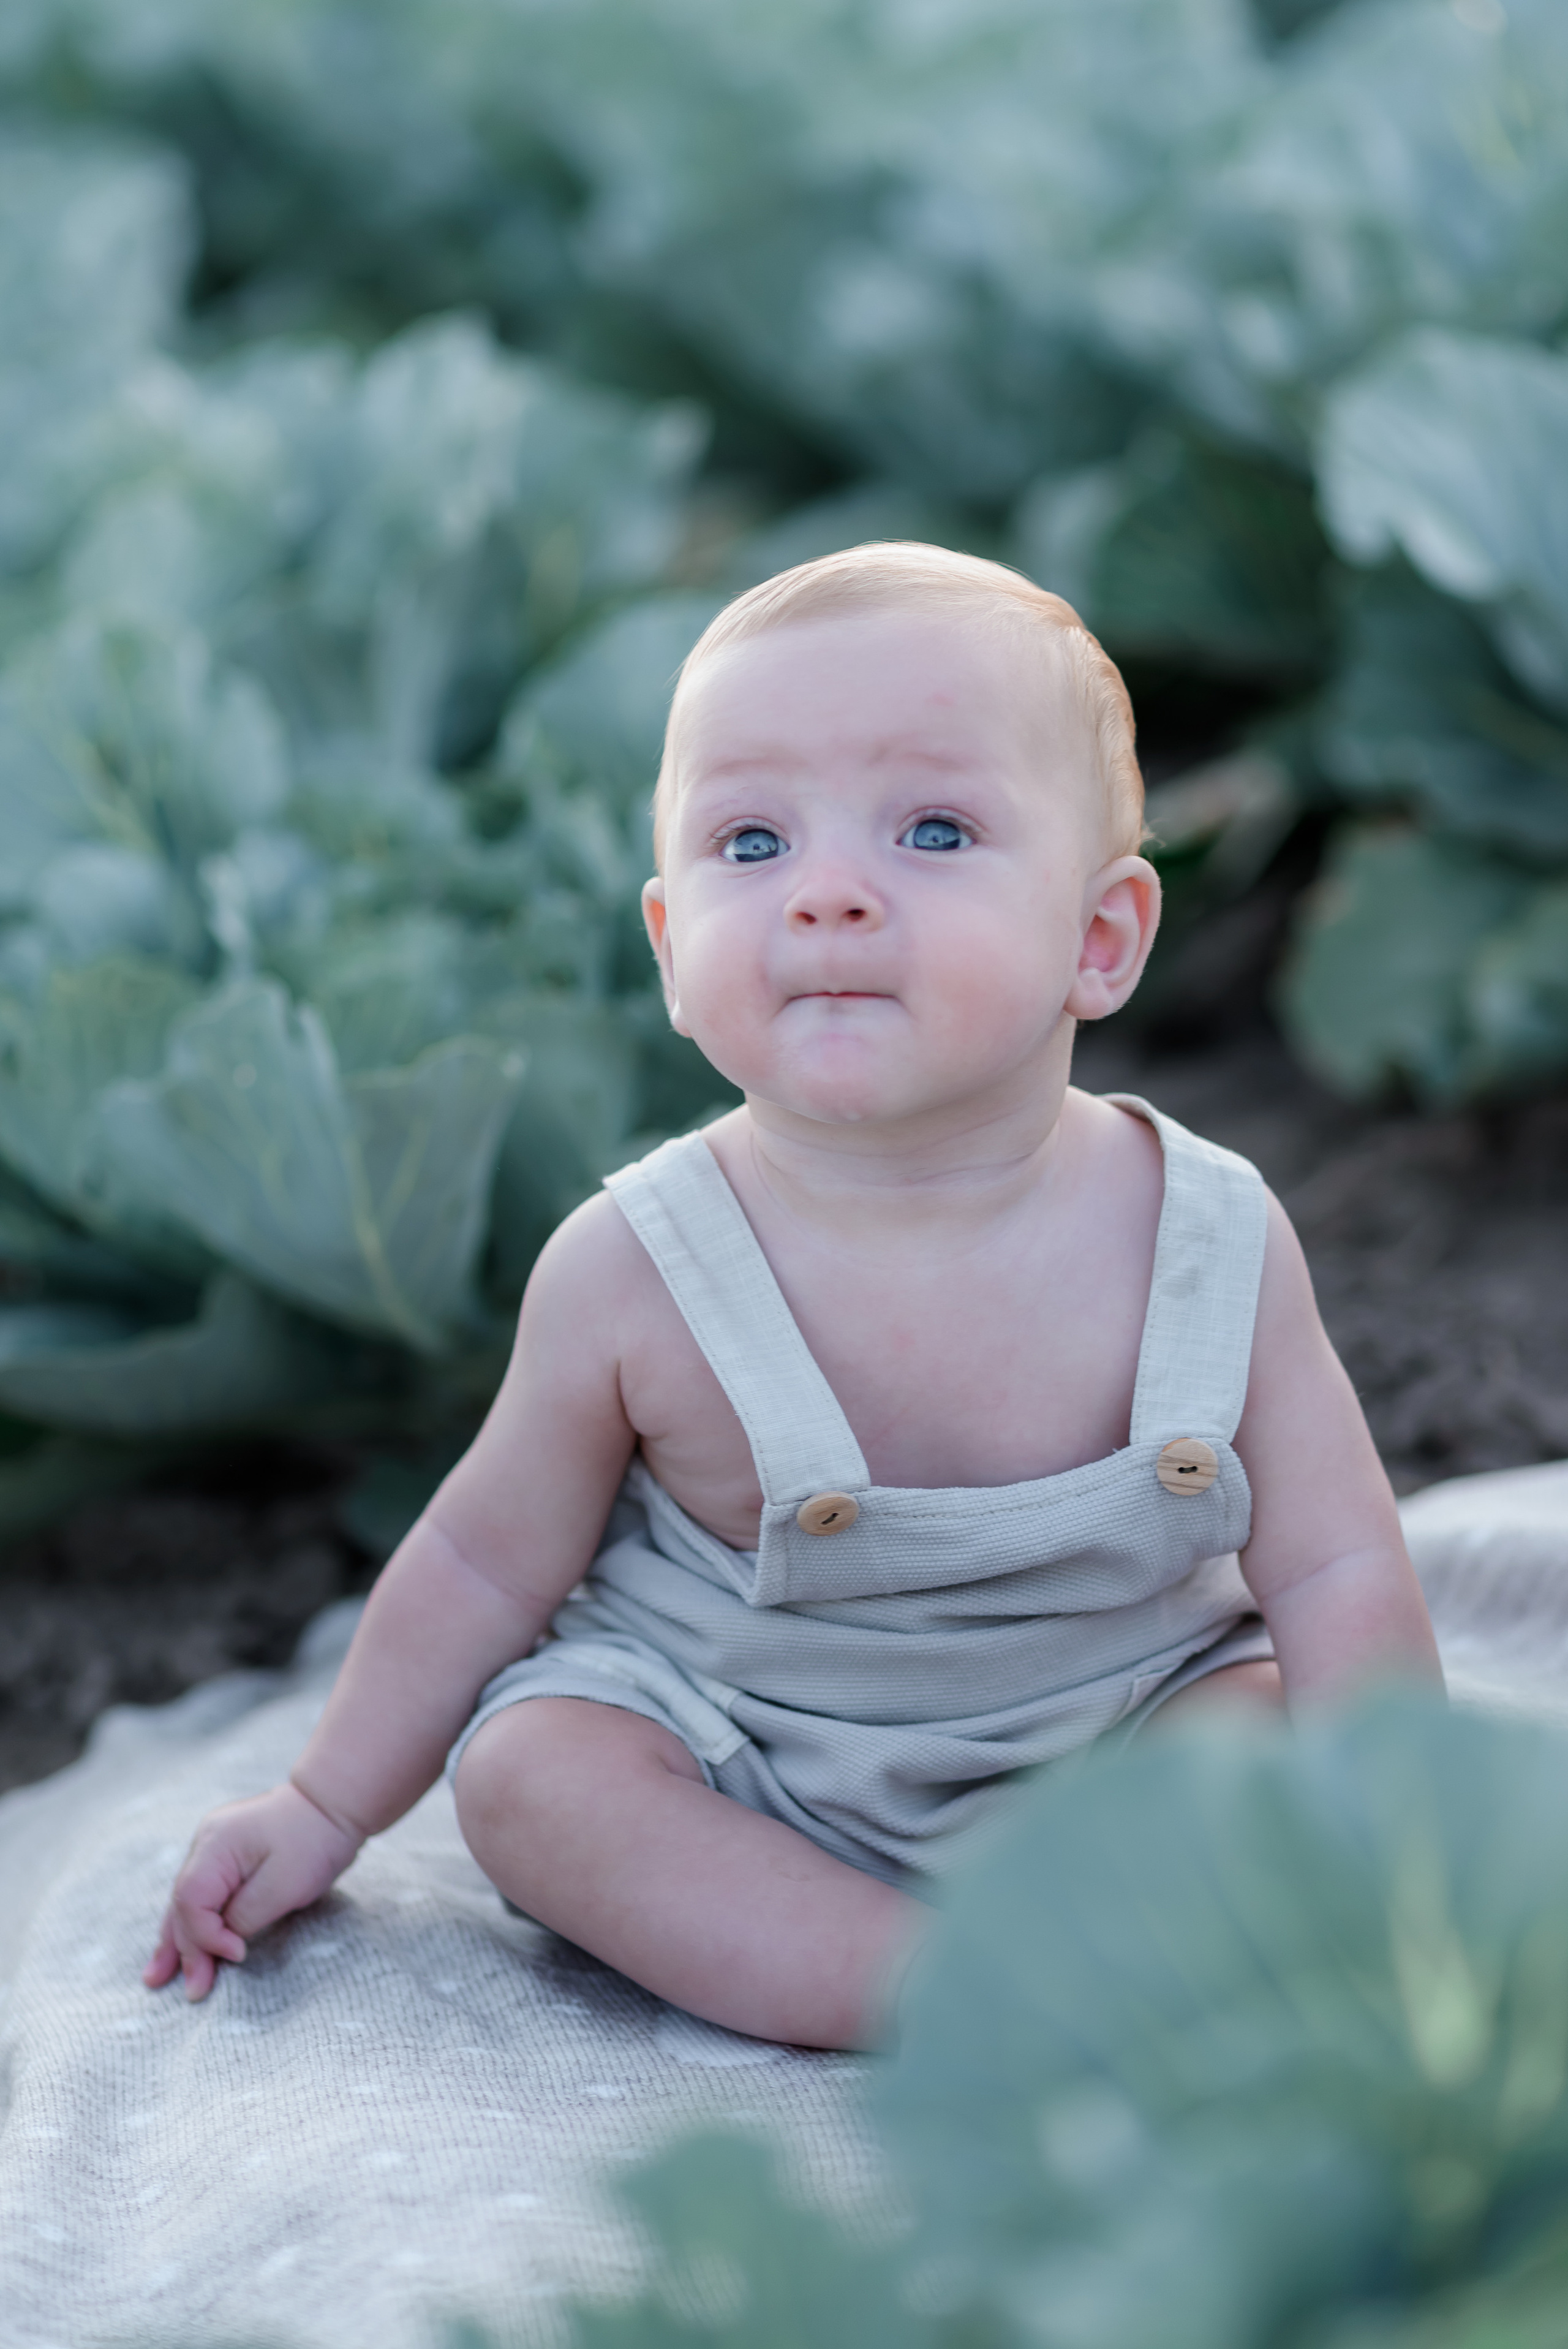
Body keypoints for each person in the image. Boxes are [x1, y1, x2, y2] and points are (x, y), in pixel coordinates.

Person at [146, 545, 1442, 2050]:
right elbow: (486, 1566)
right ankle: (928, 1990)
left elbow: (1338, 1566)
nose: (825, 895)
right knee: (534, 1776)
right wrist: (322, 1802)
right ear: (669, 947)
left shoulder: (1206, 1239)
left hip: (1115, 1729)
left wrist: (1404, 1856)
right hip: (742, 1758)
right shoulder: (636, 1265)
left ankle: (1098, 1938)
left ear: (1098, 942)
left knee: (1274, 1721)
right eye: (750, 844)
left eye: (933, 830)